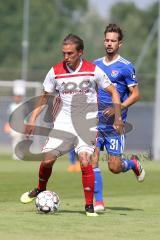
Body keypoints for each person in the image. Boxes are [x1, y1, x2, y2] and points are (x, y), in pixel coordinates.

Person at [20, 33, 123, 216]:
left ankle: (89, 206)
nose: (66, 57)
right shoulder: (55, 71)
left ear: (80, 52)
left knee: (84, 160)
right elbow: (44, 97)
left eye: (70, 53)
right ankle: (40, 189)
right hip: (64, 122)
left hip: (87, 124)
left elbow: (114, 91)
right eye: (64, 53)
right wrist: (32, 118)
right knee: (48, 159)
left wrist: (118, 117)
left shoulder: (93, 70)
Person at [92, 23, 145, 212]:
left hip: (116, 125)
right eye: (107, 40)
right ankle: (98, 202)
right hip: (96, 123)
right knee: (93, 158)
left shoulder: (125, 67)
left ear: (119, 44)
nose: (109, 43)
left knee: (114, 167)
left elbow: (136, 94)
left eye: (113, 41)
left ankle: (132, 163)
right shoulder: (95, 65)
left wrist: (118, 108)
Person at [4, 80, 26, 160]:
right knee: (15, 140)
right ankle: (15, 154)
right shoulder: (11, 106)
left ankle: (19, 154)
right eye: (15, 96)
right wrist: (7, 125)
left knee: (20, 140)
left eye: (18, 96)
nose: (16, 98)